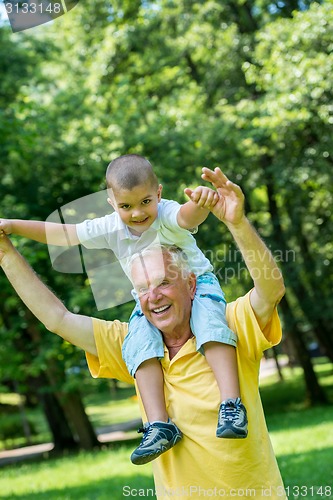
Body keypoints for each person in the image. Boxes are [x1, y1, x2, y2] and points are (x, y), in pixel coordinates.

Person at [0, 167, 287, 499]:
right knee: (140, 344)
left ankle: (231, 405)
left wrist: (232, 220)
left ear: (189, 282)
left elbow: (271, 290)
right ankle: (158, 427)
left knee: (211, 329)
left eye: (164, 282)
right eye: (143, 288)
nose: (154, 296)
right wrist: (7, 242)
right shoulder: (136, 344)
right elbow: (57, 318)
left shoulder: (228, 324)